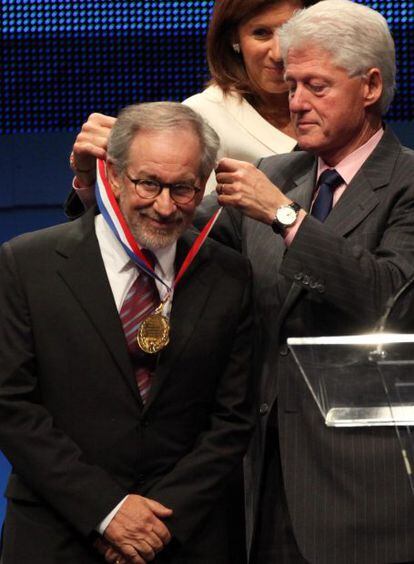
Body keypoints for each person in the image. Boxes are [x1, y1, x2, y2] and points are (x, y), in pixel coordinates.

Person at [196, 1, 414, 562]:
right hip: (262, 483)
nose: (296, 104)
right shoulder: (278, 175)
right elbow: (187, 253)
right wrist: (96, 187)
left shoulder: (407, 184)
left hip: (366, 496)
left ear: (369, 86)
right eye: (291, 86)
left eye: (316, 86)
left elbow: (387, 301)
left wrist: (287, 219)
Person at [0, 102, 254, 564]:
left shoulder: (230, 276)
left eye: (182, 188)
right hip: (57, 533)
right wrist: (106, 511)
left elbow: (233, 419)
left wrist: (157, 524)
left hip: (186, 536)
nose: (163, 204)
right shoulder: (26, 264)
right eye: (148, 183)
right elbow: (10, 404)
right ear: (113, 176)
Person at [64, 0, 319, 218]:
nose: (278, 52)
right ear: (234, 39)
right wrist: (89, 179)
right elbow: (172, 221)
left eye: (290, 32)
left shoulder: (336, 107)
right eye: (261, 33)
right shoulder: (203, 117)